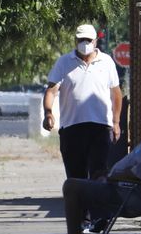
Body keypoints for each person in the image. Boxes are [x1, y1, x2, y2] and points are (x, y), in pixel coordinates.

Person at [45, 98, 141, 234]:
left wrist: (110, 177)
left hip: (131, 197)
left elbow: (138, 174)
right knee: (81, 184)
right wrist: (108, 175)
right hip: (124, 189)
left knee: (71, 186)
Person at [42, 23, 123, 182]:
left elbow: (116, 93)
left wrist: (116, 122)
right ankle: (78, 207)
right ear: (75, 41)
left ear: (95, 41)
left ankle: (96, 206)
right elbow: (51, 90)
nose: (85, 43)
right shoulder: (64, 62)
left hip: (100, 126)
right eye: (81, 39)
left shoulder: (106, 62)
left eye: (88, 40)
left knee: (98, 174)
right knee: (75, 176)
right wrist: (48, 113)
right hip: (72, 127)